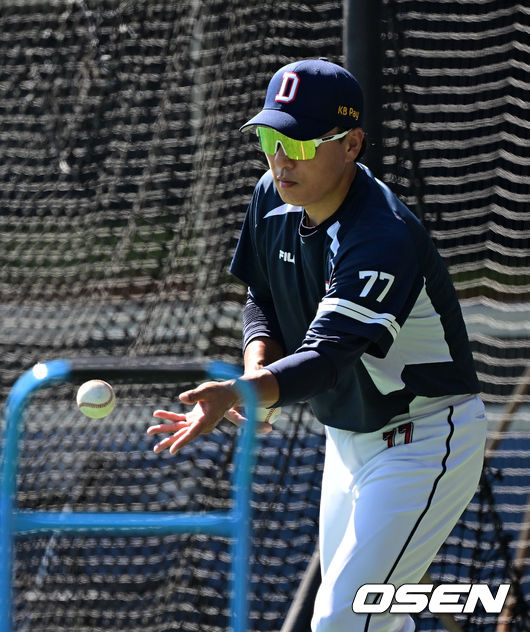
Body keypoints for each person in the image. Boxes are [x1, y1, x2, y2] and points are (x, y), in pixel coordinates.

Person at [147, 58, 487, 632]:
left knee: (341, 620)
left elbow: (328, 359)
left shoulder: (381, 236)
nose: (281, 158)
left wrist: (244, 393)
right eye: (269, 138)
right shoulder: (271, 196)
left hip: (424, 442)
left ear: (352, 144)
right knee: (371, 621)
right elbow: (263, 292)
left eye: (300, 141)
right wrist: (256, 366)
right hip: (347, 442)